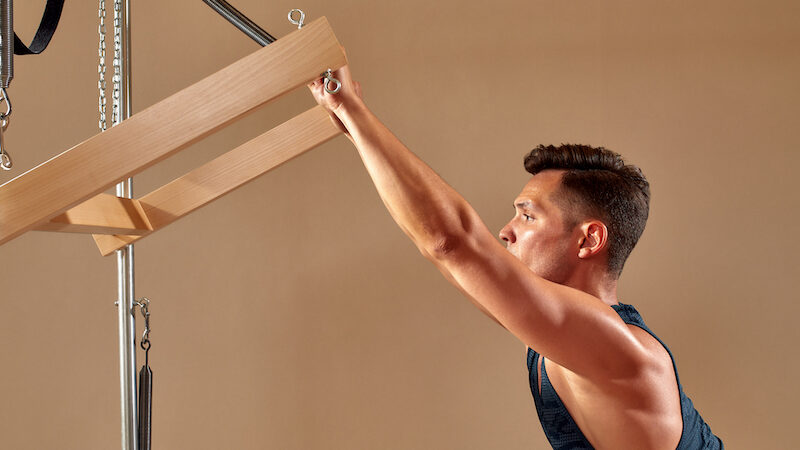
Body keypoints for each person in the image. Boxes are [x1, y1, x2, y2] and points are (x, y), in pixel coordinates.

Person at [308, 61, 724, 449]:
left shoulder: (620, 348)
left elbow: (451, 244)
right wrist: (356, 127)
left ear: (589, 240)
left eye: (527, 216)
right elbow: (442, 255)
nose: (505, 231)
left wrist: (351, 108)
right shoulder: (563, 337)